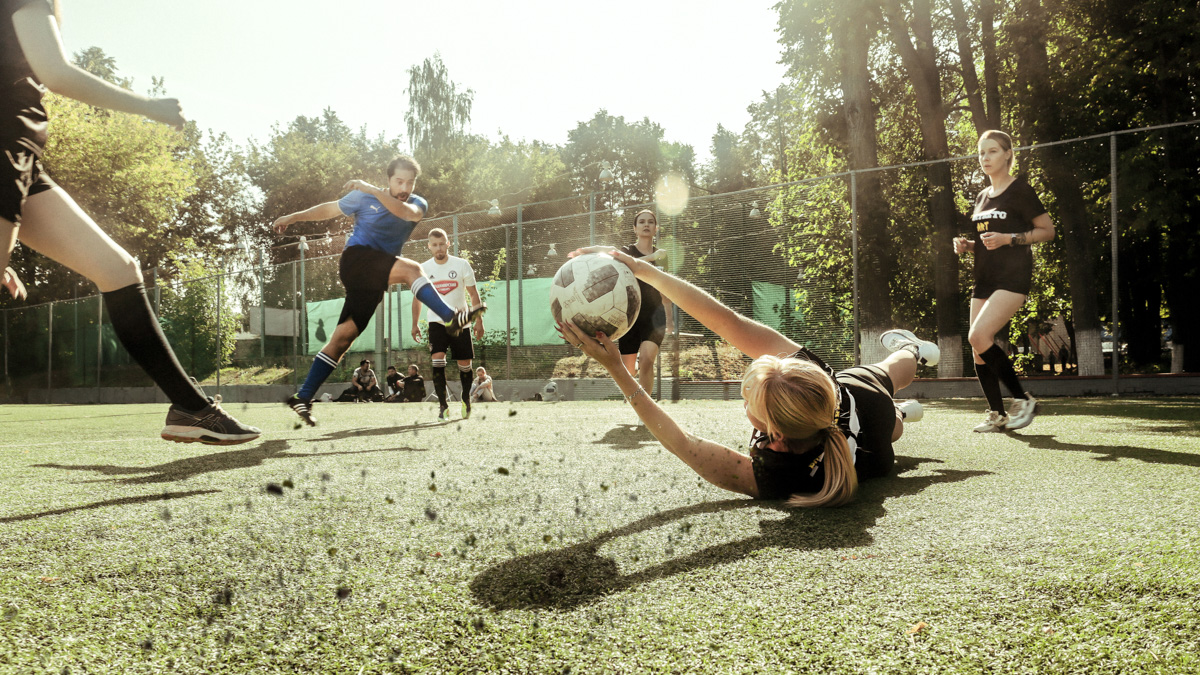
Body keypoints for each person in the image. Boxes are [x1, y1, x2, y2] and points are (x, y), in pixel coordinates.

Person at [2, 0, 260, 444]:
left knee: (118, 270)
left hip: (24, 150)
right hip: (8, 138)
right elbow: (56, 71)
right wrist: (148, 106)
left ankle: (191, 410)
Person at [559, 247, 939, 507]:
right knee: (890, 374)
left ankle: (904, 399)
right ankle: (913, 353)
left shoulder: (781, 475)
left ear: (774, 431)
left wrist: (615, 369)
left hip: (872, 452)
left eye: (749, 399)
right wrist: (646, 271)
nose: (745, 400)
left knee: (893, 421)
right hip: (862, 403)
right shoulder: (813, 377)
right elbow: (730, 323)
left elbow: (683, 444)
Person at [274, 158, 485, 425]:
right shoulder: (362, 196)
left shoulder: (416, 203)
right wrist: (292, 217)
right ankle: (450, 317)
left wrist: (371, 189)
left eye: (410, 182)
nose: (405, 186)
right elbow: (330, 209)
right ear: (389, 179)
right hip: (356, 260)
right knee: (413, 270)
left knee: (342, 339)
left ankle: (302, 397)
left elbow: (408, 214)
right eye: (399, 181)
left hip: (377, 277)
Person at [953, 130, 1055, 433]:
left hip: (1012, 277)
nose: (985, 158)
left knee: (977, 336)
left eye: (993, 151)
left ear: (1008, 154)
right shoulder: (982, 196)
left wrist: (1009, 238)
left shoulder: (1021, 190)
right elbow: (986, 241)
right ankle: (997, 414)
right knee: (977, 347)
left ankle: (1024, 400)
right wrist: (968, 246)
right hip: (983, 278)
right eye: (982, 152)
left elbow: (1047, 231)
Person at [410, 228, 484, 420]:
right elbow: (417, 299)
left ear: (448, 243)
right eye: (434, 245)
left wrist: (478, 322)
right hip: (436, 323)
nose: (439, 248)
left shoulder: (461, 264)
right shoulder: (423, 268)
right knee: (437, 360)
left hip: (461, 322)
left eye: (442, 243)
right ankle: (443, 406)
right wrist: (415, 323)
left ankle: (465, 400)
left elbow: (473, 295)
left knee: (465, 365)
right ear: (429, 246)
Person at [618, 210, 675, 400]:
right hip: (629, 314)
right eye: (641, 222)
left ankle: (645, 409)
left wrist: (669, 318)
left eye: (651, 222)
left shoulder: (662, 255)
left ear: (656, 228)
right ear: (635, 228)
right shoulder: (627, 252)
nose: (646, 224)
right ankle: (632, 387)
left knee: (647, 360)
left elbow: (664, 288)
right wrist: (651, 258)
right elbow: (625, 267)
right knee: (628, 369)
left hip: (654, 315)